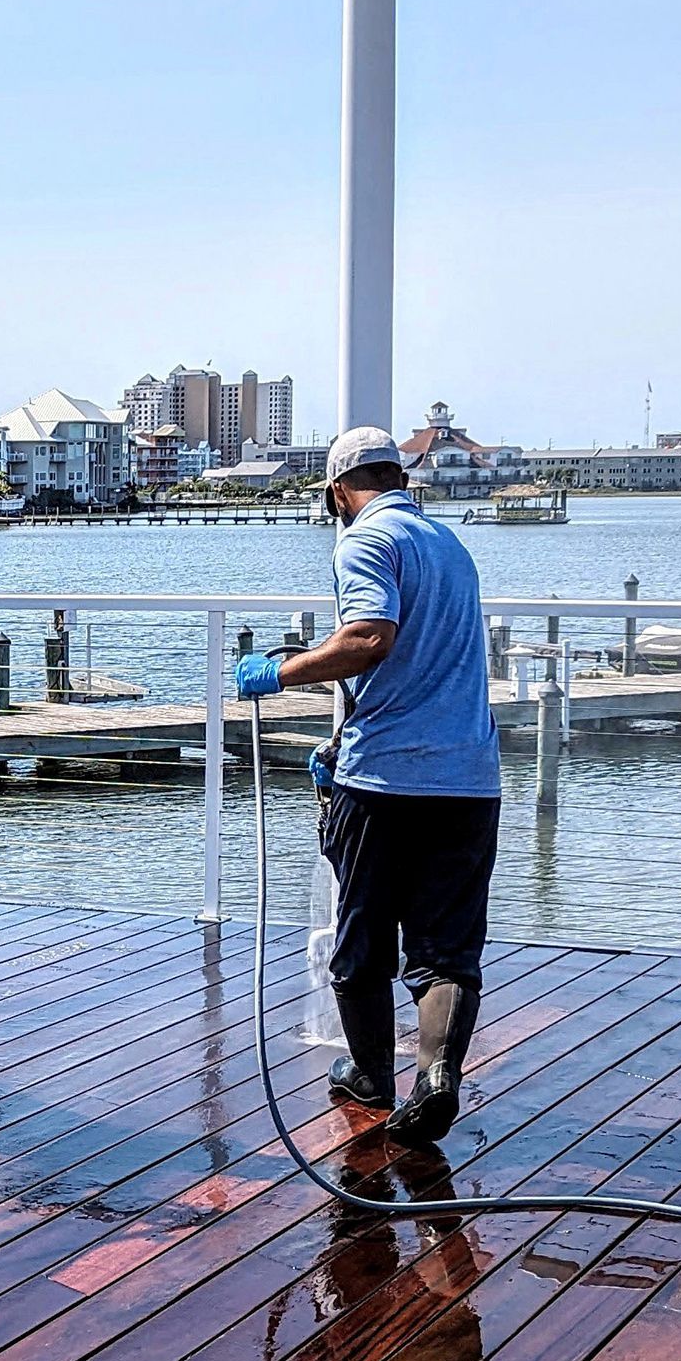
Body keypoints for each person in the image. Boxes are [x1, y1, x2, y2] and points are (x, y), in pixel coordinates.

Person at [234, 425, 501, 1142]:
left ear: (338, 492)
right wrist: (337, 736)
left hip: (385, 781)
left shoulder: (364, 541)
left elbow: (371, 639)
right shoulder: (451, 547)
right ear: (401, 477)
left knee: (360, 941)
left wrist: (277, 673)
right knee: (446, 950)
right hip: (469, 778)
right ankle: (438, 1074)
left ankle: (373, 1073)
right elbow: (418, 668)